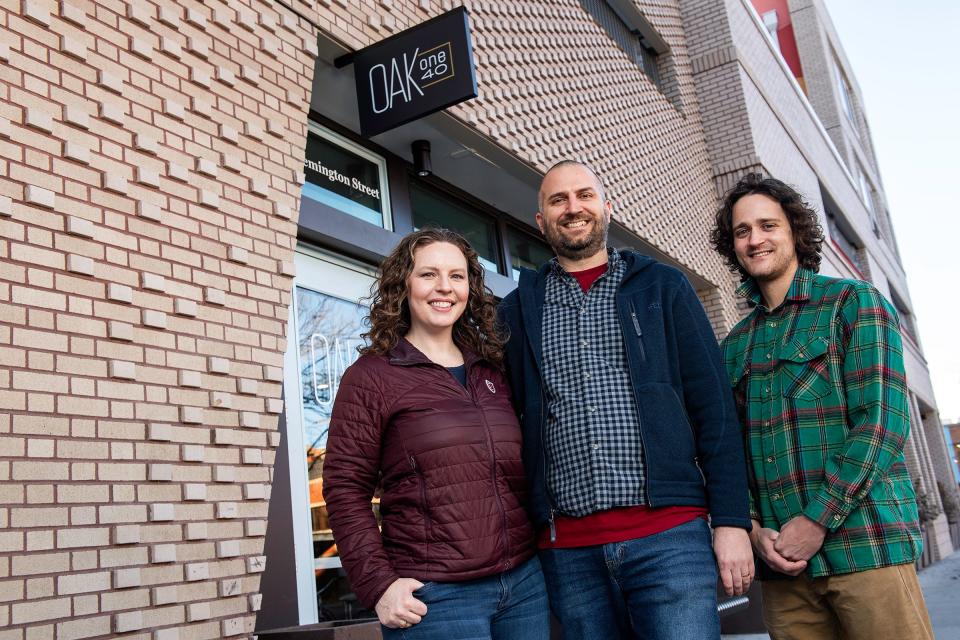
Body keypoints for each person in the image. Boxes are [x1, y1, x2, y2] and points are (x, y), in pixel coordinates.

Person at [497, 160, 753, 640]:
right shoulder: (516, 310)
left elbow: (714, 409)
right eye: (558, 200)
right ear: (540, 220)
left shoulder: (663, 287)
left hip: (670, 540)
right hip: (568, 553)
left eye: (584, 196)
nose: (573, 208)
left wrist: (733, 521)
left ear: (607, 207)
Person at [710, 173, 934, 639]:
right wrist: (752, 528)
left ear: (794, 230)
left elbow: (882, 423)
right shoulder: (733, 346)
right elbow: (728, 451)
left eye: (767, 225)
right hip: (784, 572)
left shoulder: (853, 303)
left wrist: (816, 520)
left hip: (865, 549)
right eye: (742, 231)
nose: (756, 240)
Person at [322, 229, 549, 639]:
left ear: (470, 288)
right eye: (429, 274)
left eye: (457, 276)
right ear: (403, 284)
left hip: (523, 587)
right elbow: (343, 489)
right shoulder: (373, 377)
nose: (444, 287)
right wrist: (379, 585)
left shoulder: (492, 370)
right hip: (438, 597)